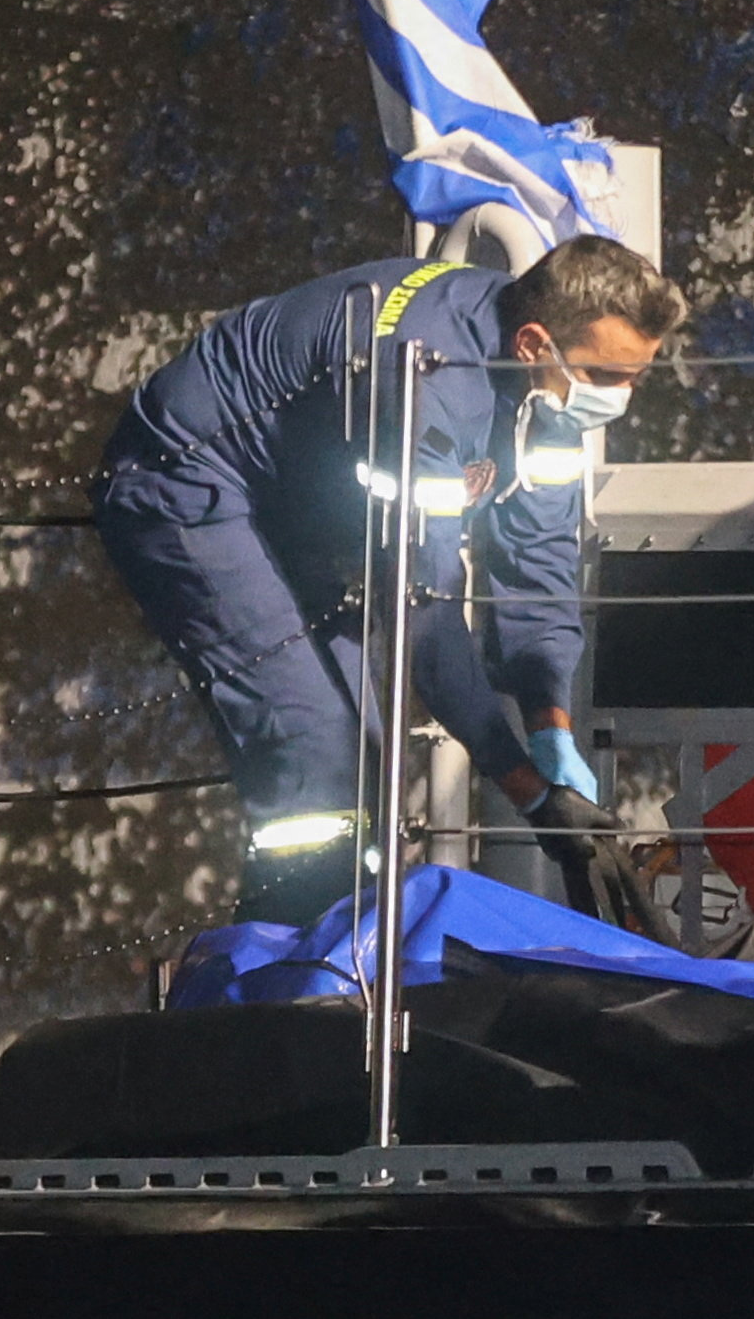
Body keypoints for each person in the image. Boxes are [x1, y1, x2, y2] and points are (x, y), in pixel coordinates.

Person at [97, 231, 688, 921]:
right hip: (188, 480)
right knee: (313, 742)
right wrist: (532, 795)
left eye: (637, 376)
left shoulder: (548, 393)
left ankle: (334, 950)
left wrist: (550, 727)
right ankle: (296, 970)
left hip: (304, 507)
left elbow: (538, 568)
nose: (623, 397)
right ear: (533, 344)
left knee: (367, 754)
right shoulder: (421, 380)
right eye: (609, 377)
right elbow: (426, 618)